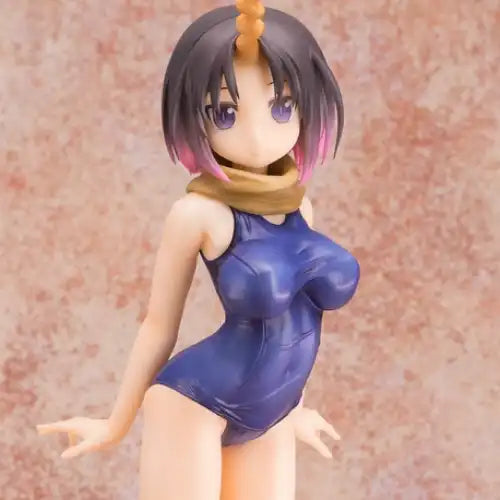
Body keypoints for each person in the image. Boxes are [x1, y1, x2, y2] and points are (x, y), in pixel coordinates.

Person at [37, 2, 360, 499]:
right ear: (194, 117)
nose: (257, 136)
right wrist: (116, 422)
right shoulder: (198, 214)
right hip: (195, 402)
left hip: (273, 412)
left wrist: (295, 405)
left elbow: (300, 319)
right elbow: (157, 325)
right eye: (226, 113)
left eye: (281, 107)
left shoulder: (300, 207)